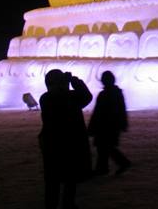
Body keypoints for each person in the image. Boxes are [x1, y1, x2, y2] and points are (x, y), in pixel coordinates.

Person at [39, 69, 92, 209]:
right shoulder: (71, 97)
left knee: (52, 180)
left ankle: (52, 205)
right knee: (70, 178)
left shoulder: (45, 98)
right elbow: (87, 96)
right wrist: (74, 81)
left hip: (52, 143)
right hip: (70, 143)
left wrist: (67, 83)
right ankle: (68, 204)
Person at [88, 71, 131, 175]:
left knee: (105, 147)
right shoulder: (117, 93)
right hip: (113, 125)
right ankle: (103, 168)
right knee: (105, 147)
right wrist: (123, 123)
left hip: (104, 126)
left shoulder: (104, 94)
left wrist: (92, 127)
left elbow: (98, 112)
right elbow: (122, 109)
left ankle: (120, 163)